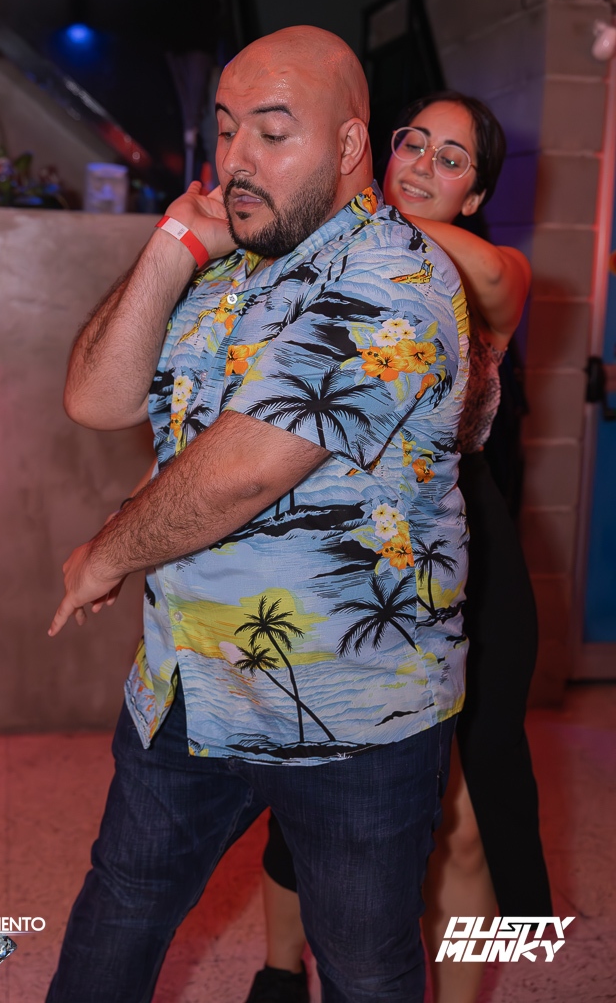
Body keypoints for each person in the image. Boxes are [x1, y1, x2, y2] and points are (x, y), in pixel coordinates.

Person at [45, 27, 470, 1003]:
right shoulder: (224, 270)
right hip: (190, 689)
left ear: (350, 145)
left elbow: (242, 471)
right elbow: (96, 399)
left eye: (272, 134)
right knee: (119, 912)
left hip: (356, 712)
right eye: (227, 129)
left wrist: (108, 552)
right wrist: (172, 246)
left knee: (364, 966)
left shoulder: (401, 280)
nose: (237, 158)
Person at [246, 91, 552, 1003]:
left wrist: (367, 215)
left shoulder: (493, 269)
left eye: (450, 159)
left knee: (468, 810)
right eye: (412, 142)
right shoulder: (334, 254)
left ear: (476, 194)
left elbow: (496, 276)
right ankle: (278, 974)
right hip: (337, 524)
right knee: (315, 778)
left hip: (468, 541)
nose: (420, 163)